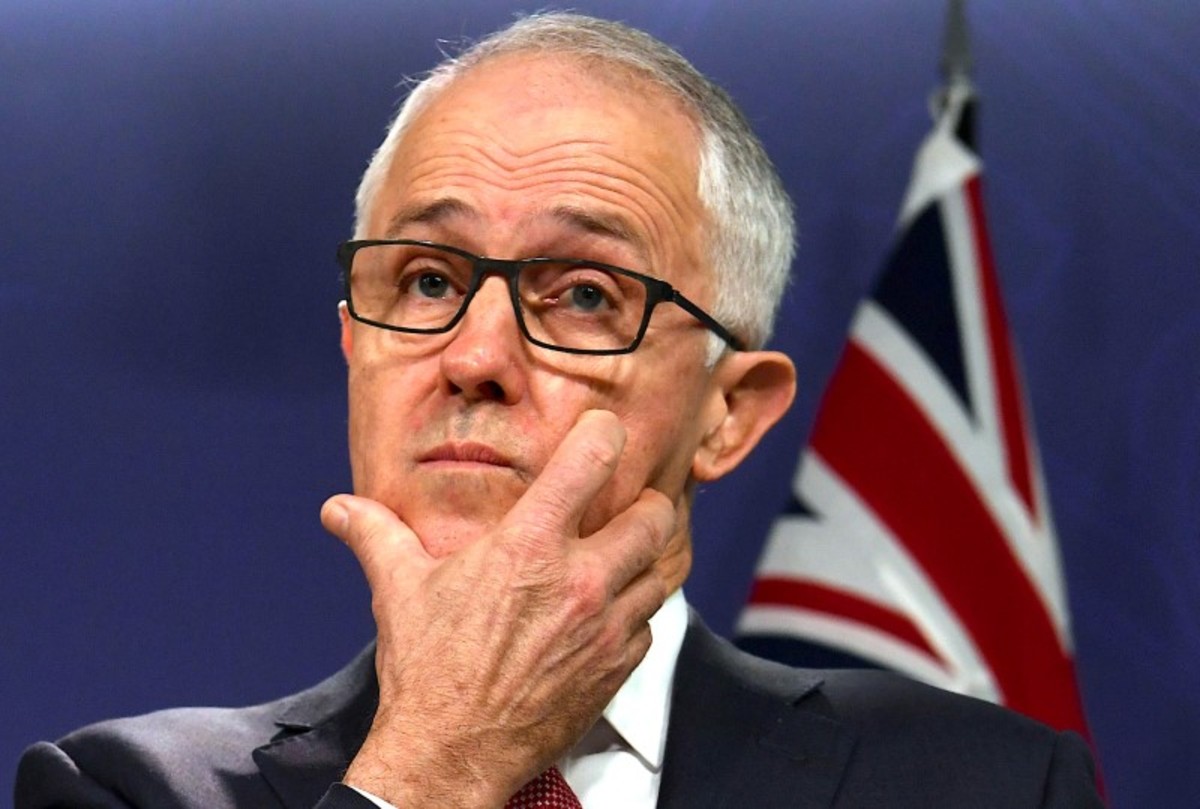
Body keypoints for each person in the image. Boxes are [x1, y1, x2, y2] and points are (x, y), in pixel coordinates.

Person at [15, 12, 1101, 809]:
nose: (475, 356)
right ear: (354, 343)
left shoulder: (984, 785)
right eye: (428, 280)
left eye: (584, 295)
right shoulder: (128, 789)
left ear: (730, 413)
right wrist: (438, 764)